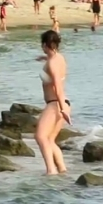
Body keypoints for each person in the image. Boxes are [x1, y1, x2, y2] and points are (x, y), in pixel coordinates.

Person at [34, 30, 71, 175]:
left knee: (40, 136)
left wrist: (63, 109)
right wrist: (44, 57)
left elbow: (58, 86)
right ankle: (62, 169)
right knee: (50, 139)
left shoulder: (52, 64)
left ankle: (50, 171)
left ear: (44, 44)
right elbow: (54, 64)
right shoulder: (59, 57)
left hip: (55, 103)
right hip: (61, 102)